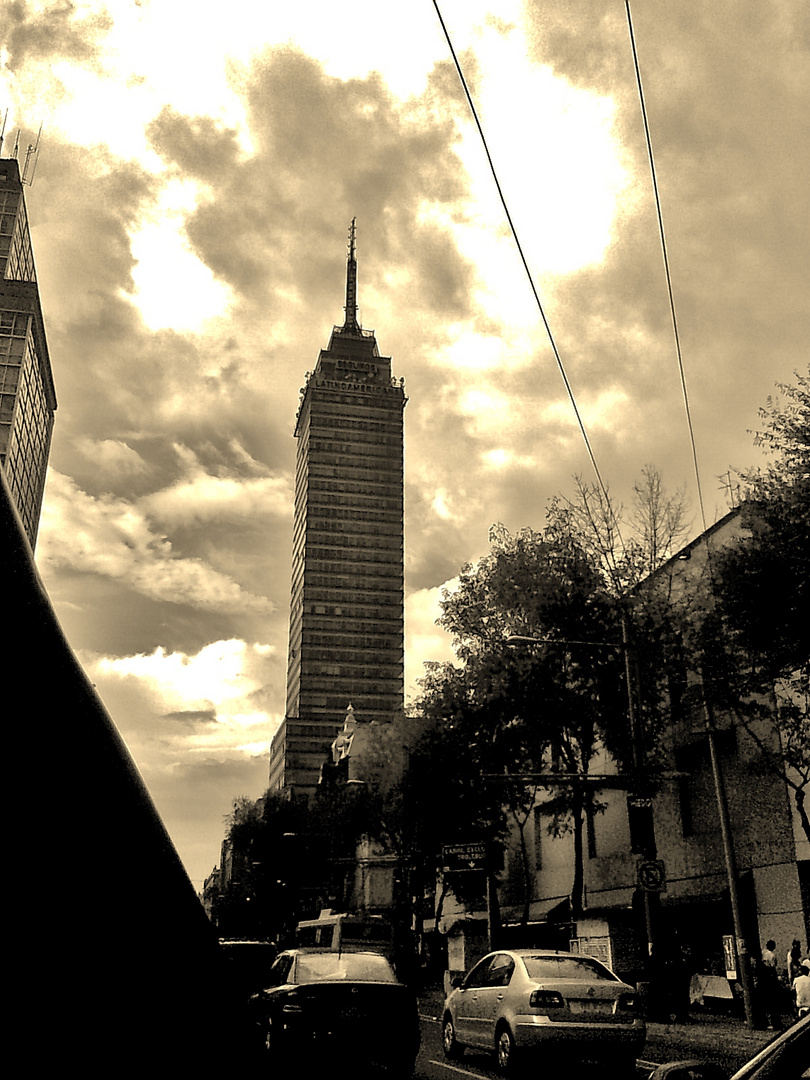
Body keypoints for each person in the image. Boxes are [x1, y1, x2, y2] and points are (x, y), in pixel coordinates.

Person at [758, 939, 783, 1031]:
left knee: (763, 1002)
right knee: (772, 1002)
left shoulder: (762, 952)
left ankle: (765, 1021)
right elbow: (773, 968)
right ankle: (774, 1022)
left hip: (762, 979)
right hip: (770, 980)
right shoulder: (772, 955)